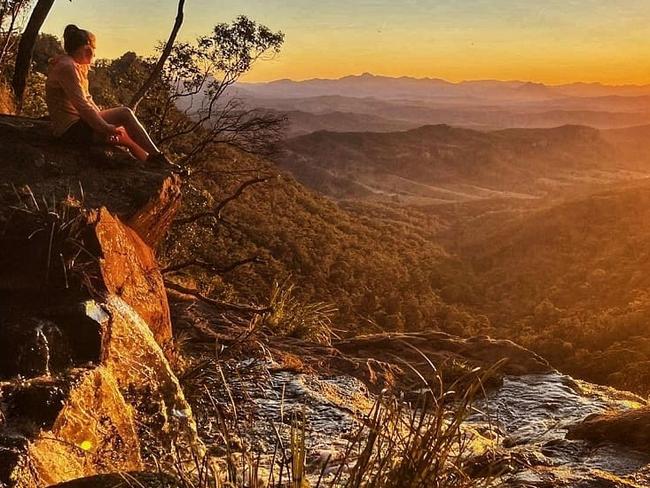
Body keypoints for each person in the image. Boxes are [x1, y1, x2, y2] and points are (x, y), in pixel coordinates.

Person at [45, 24, 182, 172]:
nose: (95, 55)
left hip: (79, 124)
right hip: (72, 131)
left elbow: (88, 99)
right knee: (125, 114)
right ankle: (158, 159)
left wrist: (104, 124)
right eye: (94, 50)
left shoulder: (73, 65)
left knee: (126, 134)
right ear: (86, 49)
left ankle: (154, 164)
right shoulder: (68, 67)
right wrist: (104, 127)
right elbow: (82, 106)